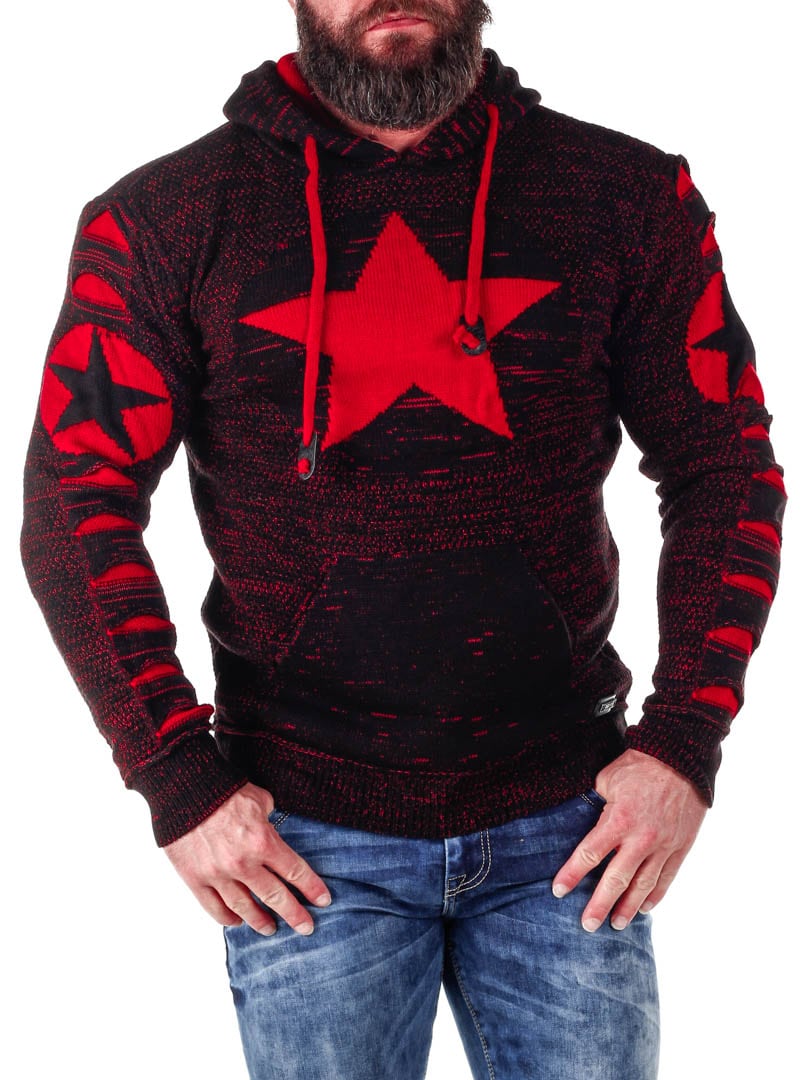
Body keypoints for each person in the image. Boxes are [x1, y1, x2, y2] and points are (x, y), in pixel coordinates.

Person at [20, 1, 785, 1077]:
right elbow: (73, 502)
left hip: (574, 826)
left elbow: (725, 466)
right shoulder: (162, 219)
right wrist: (175, 775)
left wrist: (684, 743)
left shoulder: (625, 194)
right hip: (300, 842)